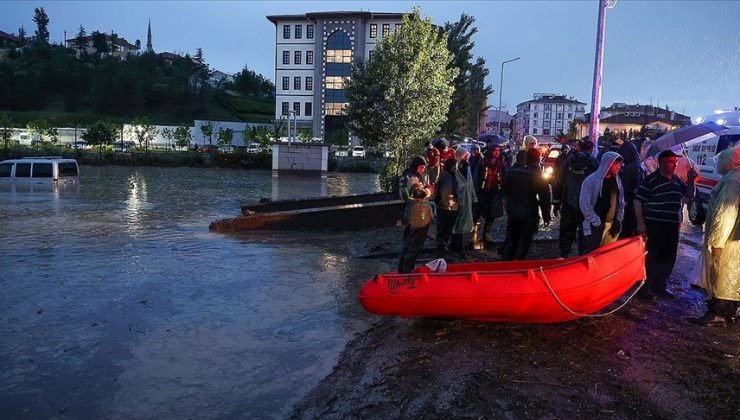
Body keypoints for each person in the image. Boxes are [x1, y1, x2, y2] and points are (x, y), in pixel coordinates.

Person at [634, 149, 697, 300]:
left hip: (672, 225)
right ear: (661, 163)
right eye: (671, 161)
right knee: (652, 256)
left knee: (668, 257)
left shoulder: (676, 180)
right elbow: (638, 200)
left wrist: (691, 180)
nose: (674, 165)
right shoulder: (651, 180)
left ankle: (660, 286)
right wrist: (641, 223)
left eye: (675, 162)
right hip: (655, 224)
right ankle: (645, 287)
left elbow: (688, 196)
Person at [691, 145, 739, 326]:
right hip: (733, 239)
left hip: (727, 240)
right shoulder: (735, 177)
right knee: (731, 277)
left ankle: (720, 312)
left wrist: (717, 241)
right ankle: (730, 310)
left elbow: (726, 212)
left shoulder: (732, 181)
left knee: (722, 274)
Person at [501, 148, 551, 260]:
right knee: (523, 242)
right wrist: (546, 216)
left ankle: (505, 264)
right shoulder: (537, 176)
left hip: (513, 211)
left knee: (511, 239)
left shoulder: (512, 173)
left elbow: (505, 190)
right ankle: (517, 265)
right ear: (538, 160)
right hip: (529, 214)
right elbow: (545, 198)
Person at [552, 140, 599, 257]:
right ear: (592, 149)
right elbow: (598, 183)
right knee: (585, 232)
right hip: (587, 204)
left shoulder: (569, 161)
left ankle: (564, 256)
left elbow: (559, 182)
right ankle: (582, 259)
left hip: (569, 201)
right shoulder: (593, 163)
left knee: (567, 231)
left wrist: (556, 201)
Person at [579, 152, 625, 253]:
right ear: (607, 163)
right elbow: (584, 204)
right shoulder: (591, 181)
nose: (618, 166)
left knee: (608, 255)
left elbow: (621, 200)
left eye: (619, 164)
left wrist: (619, 219)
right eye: (615, 163)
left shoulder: (617, 180)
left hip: (612, 225)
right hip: (595, 226)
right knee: (593, 254)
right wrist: (596, 221)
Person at [397, 156, 434, 274]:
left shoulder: (410, 176)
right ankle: (407, 274)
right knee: (414, 246)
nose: (423, 170)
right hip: (418, 215)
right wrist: (430, 191)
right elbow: (417, 193)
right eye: (421, 167)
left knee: (408, 244)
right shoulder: (412, 178)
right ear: (416, 166)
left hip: (412, 212)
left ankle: (402, 272)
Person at [474, 145, 506, 247]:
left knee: (491, 214)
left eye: (498, 150)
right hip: (482, 193)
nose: (497, 152)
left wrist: (504, 193)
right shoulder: (482, 162)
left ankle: (487, 234)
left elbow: (504, 177)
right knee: (477, 214)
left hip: (495, 192)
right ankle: (475, 235)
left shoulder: (501, 164)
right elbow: (476, 176)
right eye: (495, 150)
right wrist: (475, 191)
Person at [449, 146, 477, 258]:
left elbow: (470, 183)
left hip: (466, 198)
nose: (466, 157)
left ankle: (457, 246)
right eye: (465, 156)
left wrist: (473, 197)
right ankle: (458, 248)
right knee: (458, 222)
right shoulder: (454, 168)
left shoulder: (467, 167)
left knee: (462, 222)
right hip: (458, 198)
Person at [617, 142, 646, 238]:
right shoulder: (640, 166)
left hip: (629, 205)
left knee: (626, 233)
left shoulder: (628, 169)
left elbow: (624, 187)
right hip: (638, 203)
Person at [434, 158, 459, 257]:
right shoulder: (447, 178)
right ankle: (440, 253)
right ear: (452, 167)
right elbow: (446, 194)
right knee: (444, 231)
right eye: (456, 167)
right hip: (447, 209)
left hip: (445, 208)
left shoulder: (446, 175)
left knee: (443, 231)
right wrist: (450, 206)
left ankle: (442, 251)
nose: (457, 169)